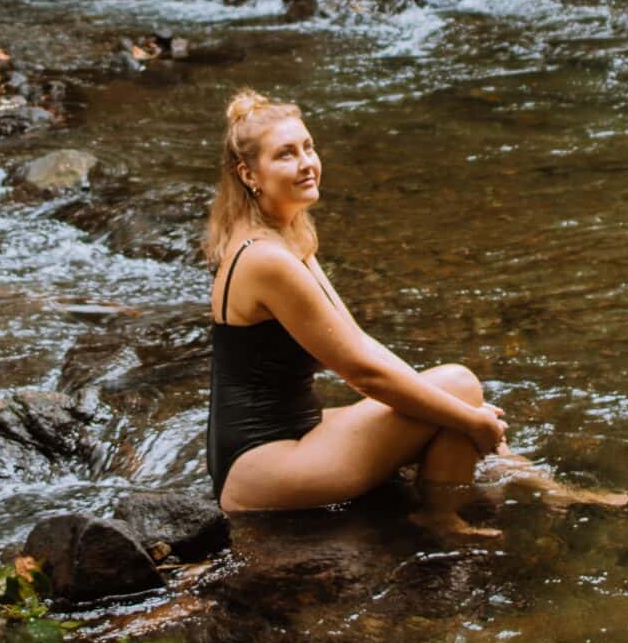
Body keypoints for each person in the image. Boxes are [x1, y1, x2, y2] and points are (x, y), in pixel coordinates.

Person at [203, 88, 511, 526]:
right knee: (459, 388)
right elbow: (360, 372)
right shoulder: (266, 258)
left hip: (283, 438)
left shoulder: (284, 233)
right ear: (249, 174)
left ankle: (490, 488)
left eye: (308, 147)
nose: (307, 163)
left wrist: (465, 415)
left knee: (452, 398)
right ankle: (442, 521)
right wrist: (471, 419)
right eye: (286, 155)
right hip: (264, 465)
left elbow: (359, 342)